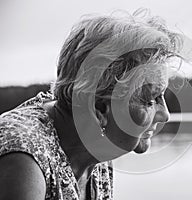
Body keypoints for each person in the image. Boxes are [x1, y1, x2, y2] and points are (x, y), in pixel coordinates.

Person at [0, 9, 182, 200]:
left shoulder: (96, 146)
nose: (165, 114)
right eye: (150, 100)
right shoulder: (23, 162)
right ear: (100, 108)